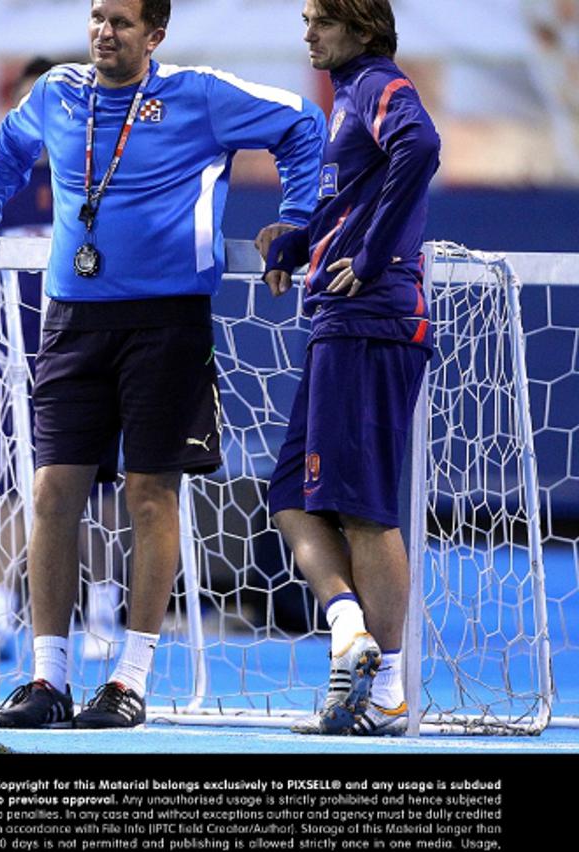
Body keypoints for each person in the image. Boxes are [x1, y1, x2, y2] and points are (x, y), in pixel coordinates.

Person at [0, 0, 326, 728]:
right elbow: (8, 148)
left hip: (166, 322)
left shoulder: (200, 96)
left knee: (150, 496)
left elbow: (304, 123)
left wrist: (300, 216)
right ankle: (47, 678)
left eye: (120, 21)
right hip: (72, 321)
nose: (103, 32)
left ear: (155, 35)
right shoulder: (57, 93)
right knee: (54, 491)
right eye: (96, 16)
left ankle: (129, 679)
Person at [259, 0, 441, 736]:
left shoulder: (373, 82)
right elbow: (356, 202)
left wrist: (367, 260)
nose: (307, 33)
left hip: (371, 322)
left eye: (322, 20)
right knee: (289, 495)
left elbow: (421, 146)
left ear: (363, 28)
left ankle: (390, 694)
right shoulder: (347, 101)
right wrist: (301, 242)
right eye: (305, 19)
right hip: (341, 324)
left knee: (363, 507)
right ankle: (348, 633)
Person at [0, 57, 128, 664]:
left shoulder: (100, 171)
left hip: (87, 351)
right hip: (12, 362)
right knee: (7, 488)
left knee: (99, 488)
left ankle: (104, 610)